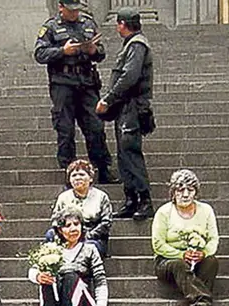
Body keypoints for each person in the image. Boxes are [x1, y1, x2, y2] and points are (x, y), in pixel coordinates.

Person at [35, 1, 118, 185]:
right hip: (62, 84)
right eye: (70, 10)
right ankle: (68, 171)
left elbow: (101, 53)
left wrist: (93, 50)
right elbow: (40, 53)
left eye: (76, 10)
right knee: (65, 129)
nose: (74, 13)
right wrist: (62, 51)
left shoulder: (88, 24)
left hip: (87, 83)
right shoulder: (51, 27)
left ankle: (102, 168)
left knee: (96, 127)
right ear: (61, 7)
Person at [96, 7, 154, 220]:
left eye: (118, 23)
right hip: (125, 108)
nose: (116, 27)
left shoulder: (137, 45)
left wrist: (107, 99)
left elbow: (129, 76)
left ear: (122, 24)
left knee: (130, 153)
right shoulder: (132, 44)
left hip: (132, 107)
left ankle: (144, 199)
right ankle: (131, 200)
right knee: (123, 155)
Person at [31, 208, 108, 306]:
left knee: (70, 276)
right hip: (59, 305)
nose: (73, 229)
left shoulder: (89, 249)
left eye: (76, 224)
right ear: (60, 230)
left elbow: (100, 281)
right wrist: (38, 276)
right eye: (67, 226)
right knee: (47, 278)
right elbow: (33, 269)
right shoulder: (52, 249)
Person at [151, 169, 219, 306]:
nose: (186, 194)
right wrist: (181, 255)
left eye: (190, 189)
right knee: (179, 264)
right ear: (173, 192)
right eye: (180, 190)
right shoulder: (164, 212)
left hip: (198, 259)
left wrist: (204, 253)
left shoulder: (206, 210)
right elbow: (158, 244)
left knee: (212, 261)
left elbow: (213, 239)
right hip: (168, 261)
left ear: (196, 192)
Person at [48, 159, 113, 256]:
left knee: (89, 247)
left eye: (82, 175)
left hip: (92, 237)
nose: (77, 178)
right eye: (74, 175)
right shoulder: (63, 197)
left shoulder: (101, 196)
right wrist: (67, 235)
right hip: (67, 235)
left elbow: (106, 222)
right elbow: (55, 220)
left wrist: (87, 236)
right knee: (50, 235)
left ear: (90, 178)